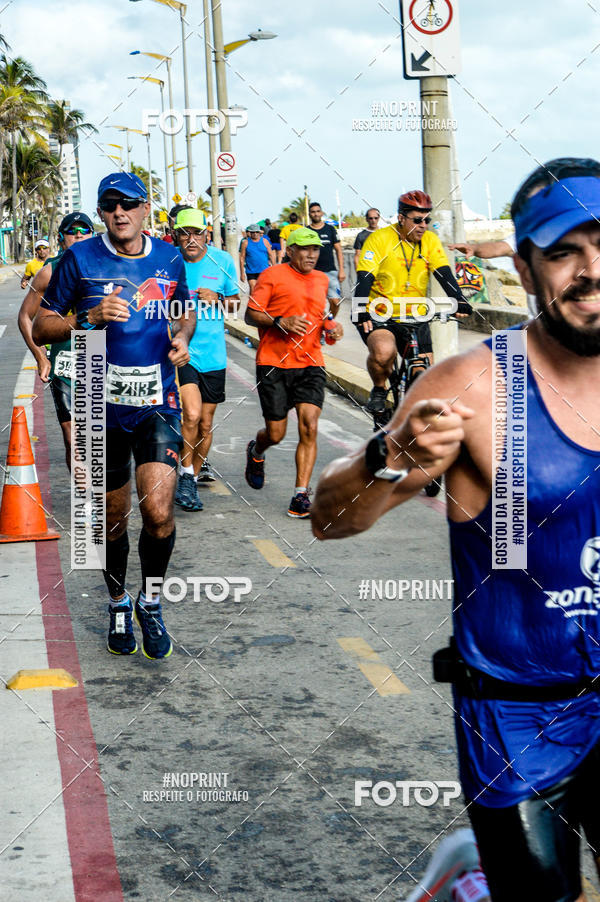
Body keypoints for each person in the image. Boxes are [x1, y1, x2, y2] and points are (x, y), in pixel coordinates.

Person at [313, 157, 600, 901]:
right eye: (565, 251)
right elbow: (328, 521)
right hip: (518, 718)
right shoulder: (473, 387)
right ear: (528, 270)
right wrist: (389, 455)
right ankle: (476, 880)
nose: (591, 271)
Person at [33, 171, 195, 661]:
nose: (120, 212)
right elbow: (42, 325)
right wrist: (88, 319)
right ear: (102, 212)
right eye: (110, 205)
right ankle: (117, 601)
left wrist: (183, 336)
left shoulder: (168, 256)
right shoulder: (78, 259)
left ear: (146, 208)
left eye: (129, 204)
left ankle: (150, 600)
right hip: (98, 406)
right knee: (112, 522)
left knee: (160, 513)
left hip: (156, 403)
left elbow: (183, 310)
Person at [244, 227, 343, 518]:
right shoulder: (272, 275)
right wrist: (279, 321)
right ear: (290, 251)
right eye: (304, 249)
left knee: (309, 425)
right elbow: (251, 314)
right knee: (276, 433)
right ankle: (256, 451)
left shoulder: (322, 279)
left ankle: (300, 495)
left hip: (311, 362)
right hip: (273, 362)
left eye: (315, 250)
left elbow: (321, 316)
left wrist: (332, 327)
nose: (312, 255)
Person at [355, 190, 469, 416]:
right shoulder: (379, 239)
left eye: (427, 219)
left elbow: (443, 272)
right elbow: (365, 276)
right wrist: (360, 310)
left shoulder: (430, 241)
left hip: (416, 315)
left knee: (424, 373)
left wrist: (459, 299)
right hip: (381, 314)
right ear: (401, 218)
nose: (423, 225)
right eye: (417, 220)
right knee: (384, 352)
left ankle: (412, 420)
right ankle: (379, 389)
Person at [172, 208, 239, 511]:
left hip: (214, 355)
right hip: (182, 352)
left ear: (206, 234)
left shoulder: (222, 261)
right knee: (192, 415)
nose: (191, 239)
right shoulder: (170, 262)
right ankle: (186, 474)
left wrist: (220, 299)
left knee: (206, 424)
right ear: (176, 235)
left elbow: (236, 308)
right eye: (185, 233)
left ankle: (191, 476)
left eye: (197, 232)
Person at [18, 212, 95, 469]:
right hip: (65, 361)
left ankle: (105, 500)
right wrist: (41, 357)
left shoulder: (107, 266)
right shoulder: (48, 272)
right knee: (74, 438)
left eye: (85, 231)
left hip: (103, 357)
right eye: (73, 232)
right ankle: (85, 504)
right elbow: (25, 317)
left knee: (102, 439)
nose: (80, 236)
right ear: (61, 239)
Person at [450, 235, 536, 316]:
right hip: (535, 322)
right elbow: (499, 248)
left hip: (542, 323)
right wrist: (474, 248)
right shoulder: (531, 232)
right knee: (509, 332)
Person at [307, 201, 346, 307]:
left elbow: (338, 250)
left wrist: (341, 270)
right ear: (309, 214)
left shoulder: (330, 229)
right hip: (312, 273)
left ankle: (329, 321)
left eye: (318, 211)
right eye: (313, 212)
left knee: (335, 302)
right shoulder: (306, 231)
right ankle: (321, 322)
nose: (316, 214)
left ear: (322, 213)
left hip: (331, 272)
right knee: (316, 304)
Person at [240, 224, 275, 293]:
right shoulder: (245, 243)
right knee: (253, 289)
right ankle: (253, 303)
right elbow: (242, 258)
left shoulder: (265, 241)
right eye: (253, 232)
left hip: (264, 270)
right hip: (251, 271)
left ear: (259, 232)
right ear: (250, 233)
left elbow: (271, 255)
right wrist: (242, 273)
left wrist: (274, 268)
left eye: (257, 232)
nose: (255, 234)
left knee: (264, 290)